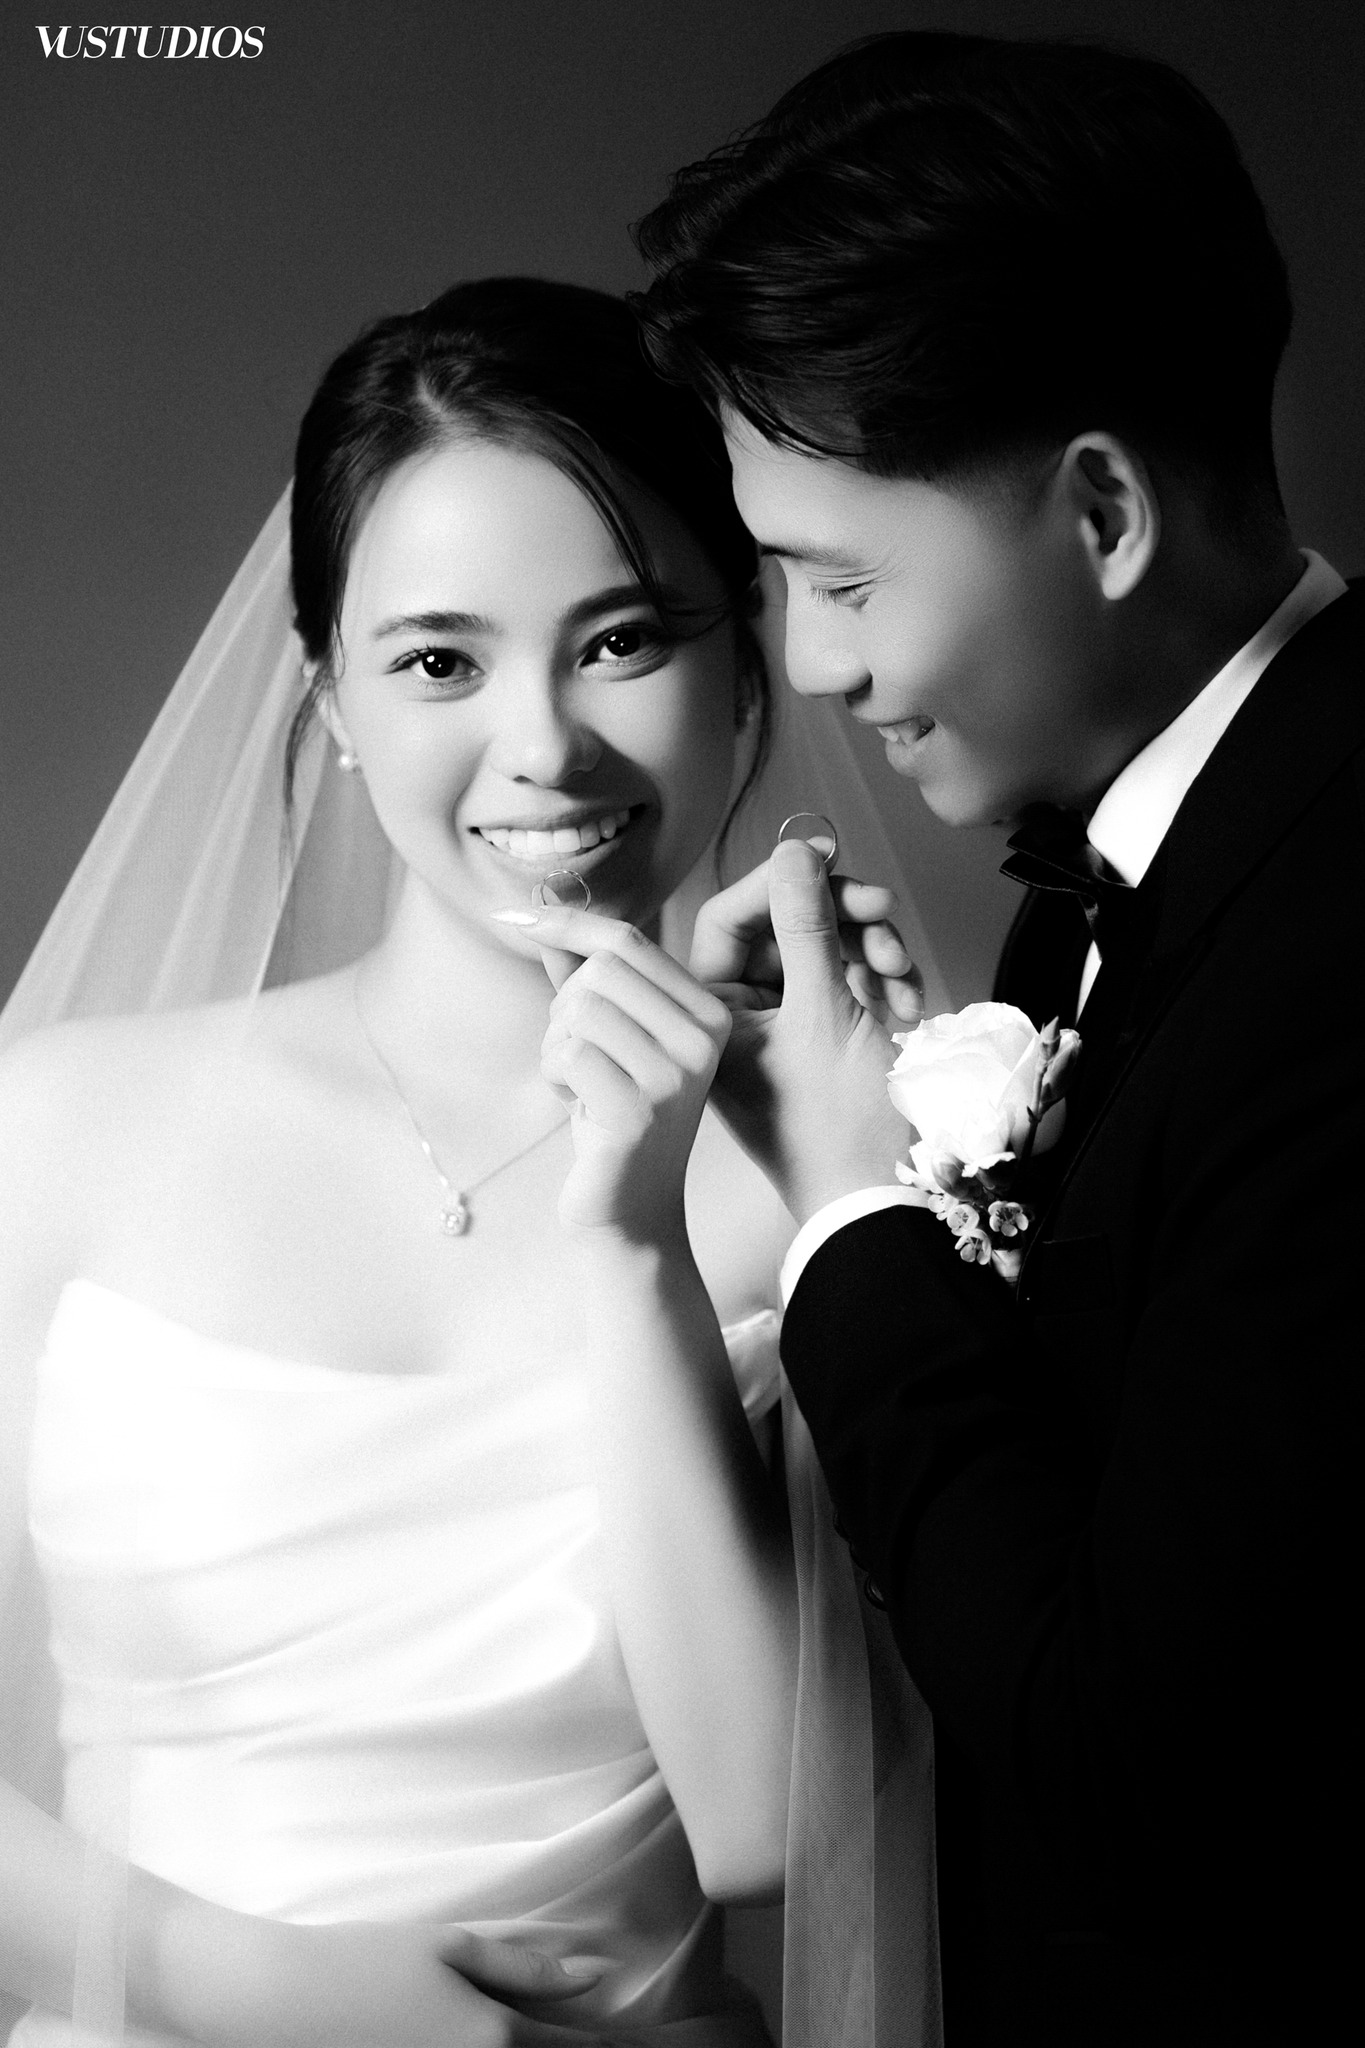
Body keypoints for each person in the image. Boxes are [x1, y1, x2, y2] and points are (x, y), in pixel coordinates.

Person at [0, 279, 934, 2047]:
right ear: (332, 701)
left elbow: (765, 1827)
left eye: (622, 640)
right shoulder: (55, 1125)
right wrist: (242, 1982)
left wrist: (631, 1240)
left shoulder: (834, 1165)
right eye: (439, 661)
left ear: (745, 662)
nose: (543, 749)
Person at [604, 28, 1361, 2048]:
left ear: (1099, 510)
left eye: (842, 579)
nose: (809, 665)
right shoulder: (1116, 864)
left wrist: (853, 1211)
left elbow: (1141, 1773)